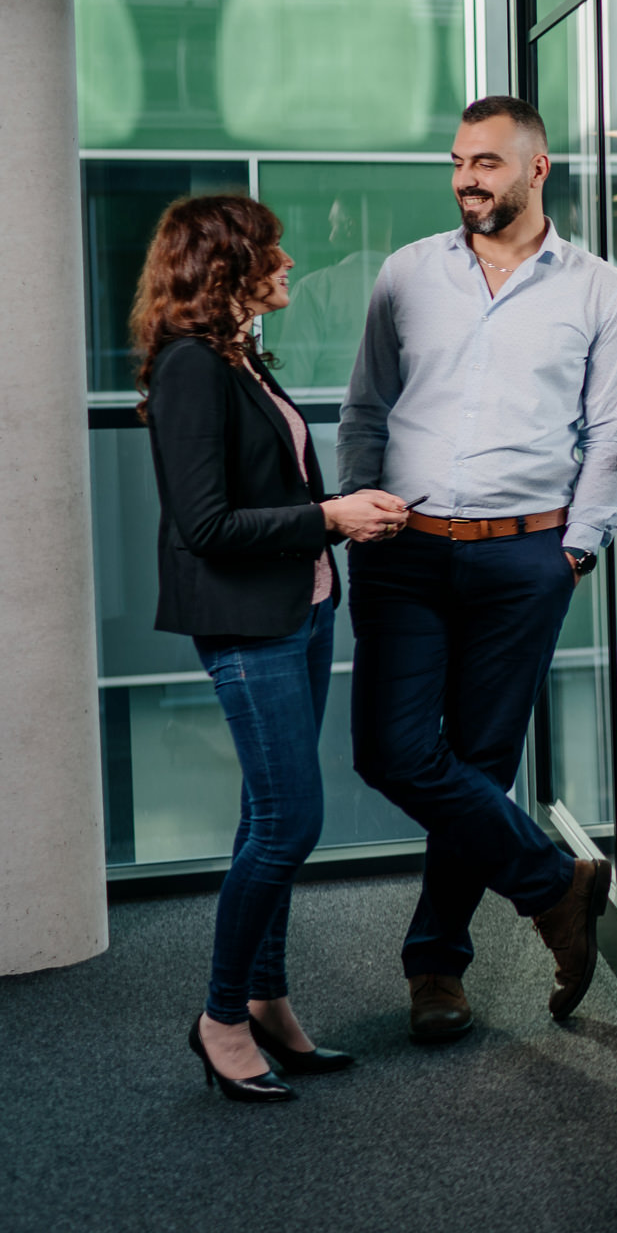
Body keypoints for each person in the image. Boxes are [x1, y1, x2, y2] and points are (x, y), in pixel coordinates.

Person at [340, 95, 617, 1044]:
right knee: (392, 752)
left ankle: (436, 967)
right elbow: (365, 409)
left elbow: (609, 429)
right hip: (405, 549)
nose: (468, 178)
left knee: (478, 764)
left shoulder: (596, 286)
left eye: (489, 163)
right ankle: (556, 885)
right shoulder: (407, 274)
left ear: (538, 169)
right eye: (460, 161)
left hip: (527, 554)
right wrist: (355, 509)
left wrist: (578, 546)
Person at [138, 195, 412, 1101]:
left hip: (302, 608)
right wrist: (331, 517)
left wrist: (334, 528)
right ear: (225, 265)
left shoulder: (240, 357)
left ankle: (266, 999)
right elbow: (205, 522)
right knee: (291, 823)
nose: (290, 261)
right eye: (272, 249)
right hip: (249, 621)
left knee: (268, 818)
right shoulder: (189, 366)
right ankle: (220, 1016)